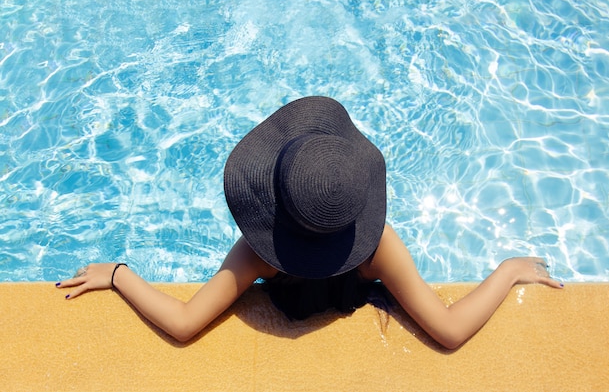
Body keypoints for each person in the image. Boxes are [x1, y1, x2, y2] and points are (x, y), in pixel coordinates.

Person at [56, 96, 563, 349]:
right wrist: (507, 269)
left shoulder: (260, 250)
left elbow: (186, 325)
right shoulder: (375, 247)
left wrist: (119, 274)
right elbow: (449, 331)